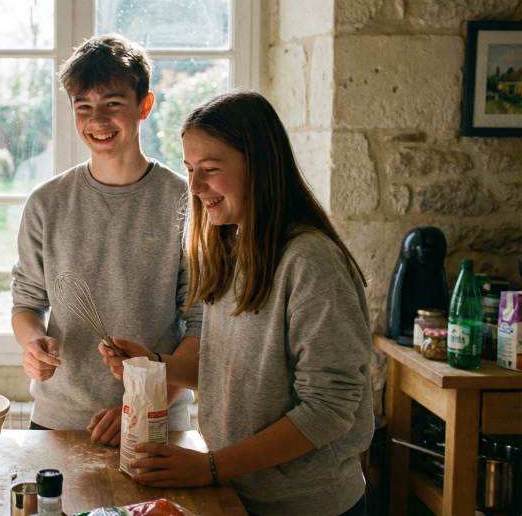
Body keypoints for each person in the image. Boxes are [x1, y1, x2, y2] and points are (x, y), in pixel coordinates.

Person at [99, 91, 372, 516]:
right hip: (241, 490)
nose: (193, 186)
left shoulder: (311, 262)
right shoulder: (230, 247)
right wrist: (157, 364)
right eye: (190, 169)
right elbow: (230, 369)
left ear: (261, 167)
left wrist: (209, 467)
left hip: (306, 504)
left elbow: (328, 410)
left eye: (209, 169)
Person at [10, 33, 202, 445]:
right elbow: (27, 303)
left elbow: (202, 326)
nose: (97, 120)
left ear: (144, 105)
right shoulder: (46, 202)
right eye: (84, 107)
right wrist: (32, 345)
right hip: (57, 420)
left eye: (113, 104)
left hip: (158, 419)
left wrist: (147, 401)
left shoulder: (186, 203)